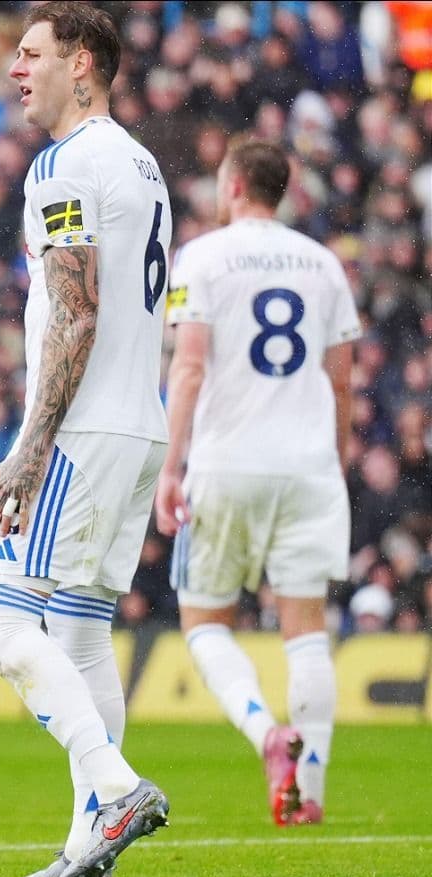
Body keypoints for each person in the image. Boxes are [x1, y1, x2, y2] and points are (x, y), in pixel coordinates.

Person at [0, 4, 173, 877]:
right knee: (84, 637)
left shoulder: (65, 164)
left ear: (81, 63)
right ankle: (91, 840)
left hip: (80, 430)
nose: (17, 70)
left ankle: (116, 787)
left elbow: (77, 309)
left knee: (2, 626)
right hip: (140, 424)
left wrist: (31, 445)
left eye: (31, 54)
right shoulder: (141, 161)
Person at [154, 137, 358, 829]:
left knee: (204, 621)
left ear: (235, 185)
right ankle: (313, 790)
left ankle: (265, 732)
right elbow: (340, 380)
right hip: (309, 468)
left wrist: (171, 465)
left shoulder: (204, 256)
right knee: (306, 632)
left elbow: (188, 369)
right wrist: (334, 459)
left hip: (227, 463)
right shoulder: (325, 264)